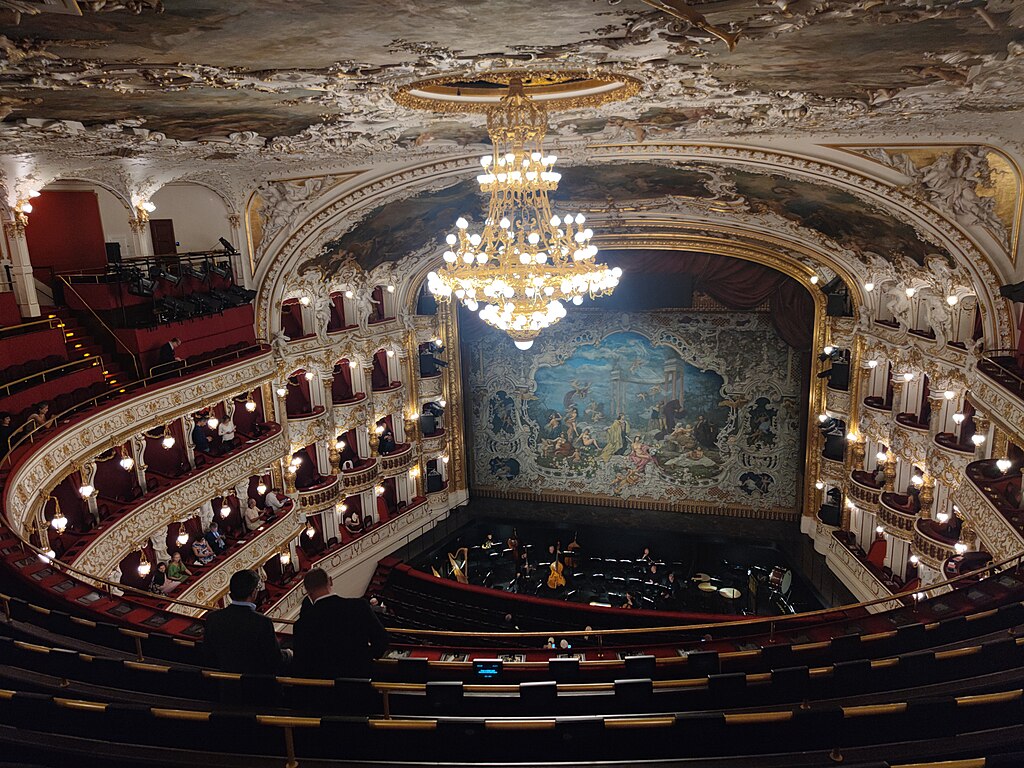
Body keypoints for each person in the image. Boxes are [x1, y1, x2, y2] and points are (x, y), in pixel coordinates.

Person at [292, 567, 388, 678]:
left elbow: (301, 666)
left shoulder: (301, 625)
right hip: (360, 682)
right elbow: (382, 640)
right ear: (331, 581)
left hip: (325, 690)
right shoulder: (358, 606)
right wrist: (364, 657)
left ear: (307, 590)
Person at [203, 569, 290, 674]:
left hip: (224, 684)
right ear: (254, 593)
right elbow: (275, 660)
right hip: (255, 685)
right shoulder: (262, 622)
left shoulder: (213, 618)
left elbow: (208, 654)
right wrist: (288, 654)